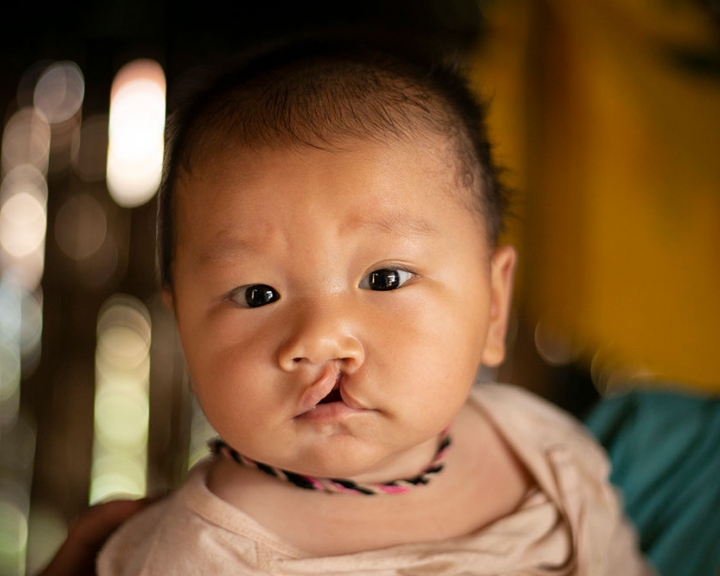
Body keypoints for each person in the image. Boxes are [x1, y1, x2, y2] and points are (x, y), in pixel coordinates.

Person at [84, 36, 653, 574]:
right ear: (184, 327)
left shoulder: (546, 455)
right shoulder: (191, 557)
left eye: (386, 278)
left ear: (495, 304)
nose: (321, 337)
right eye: (258, 295)